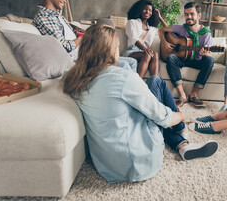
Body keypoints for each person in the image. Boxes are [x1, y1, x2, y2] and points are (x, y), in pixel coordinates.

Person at [61, 24, 218, 183]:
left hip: (108, 165)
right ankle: (181, 132)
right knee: (156, 82)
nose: (118, 51)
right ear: (109, 51)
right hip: (138, 162)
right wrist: (181, 115)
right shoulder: (124, 78)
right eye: (117, 47)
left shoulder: (74, 79)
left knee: (148, 96)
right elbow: (162, 117)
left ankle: (182, 145)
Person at [32, 0, 136, 71]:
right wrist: (83, 37)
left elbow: (63, 32)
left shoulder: (57, 16)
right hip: (79, 59)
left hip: (84, 54)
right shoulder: (44, 18)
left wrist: (74, 28)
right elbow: (64, 46)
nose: (65, 0)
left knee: (132, 61)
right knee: (125, 65)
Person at [159, 2, 214, 108]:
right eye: (186, 14)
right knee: (171, 58)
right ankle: (182, 96)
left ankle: (193, 94)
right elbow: (161, 30)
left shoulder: (206, 33)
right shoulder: (181, 28)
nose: (189, 17)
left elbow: (209, 52)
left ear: (199, 15)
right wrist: (165, 43)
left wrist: (206, 53)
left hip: (198, 60)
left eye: (192, 14)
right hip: (183, 59)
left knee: (209, 61)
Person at [122, 0, 166, 78]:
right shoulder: (131, 22)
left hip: (145, 52)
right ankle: (138, 82)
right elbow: (133, 38)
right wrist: (145, 49)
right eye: (145, 9)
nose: (147, 12)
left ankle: (154, 82)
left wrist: (160, 17)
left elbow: (168, 30)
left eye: (150, 10)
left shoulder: (153, 29)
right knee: (147, 54)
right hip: (131, 51)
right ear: (140, 10)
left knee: (155, 54)